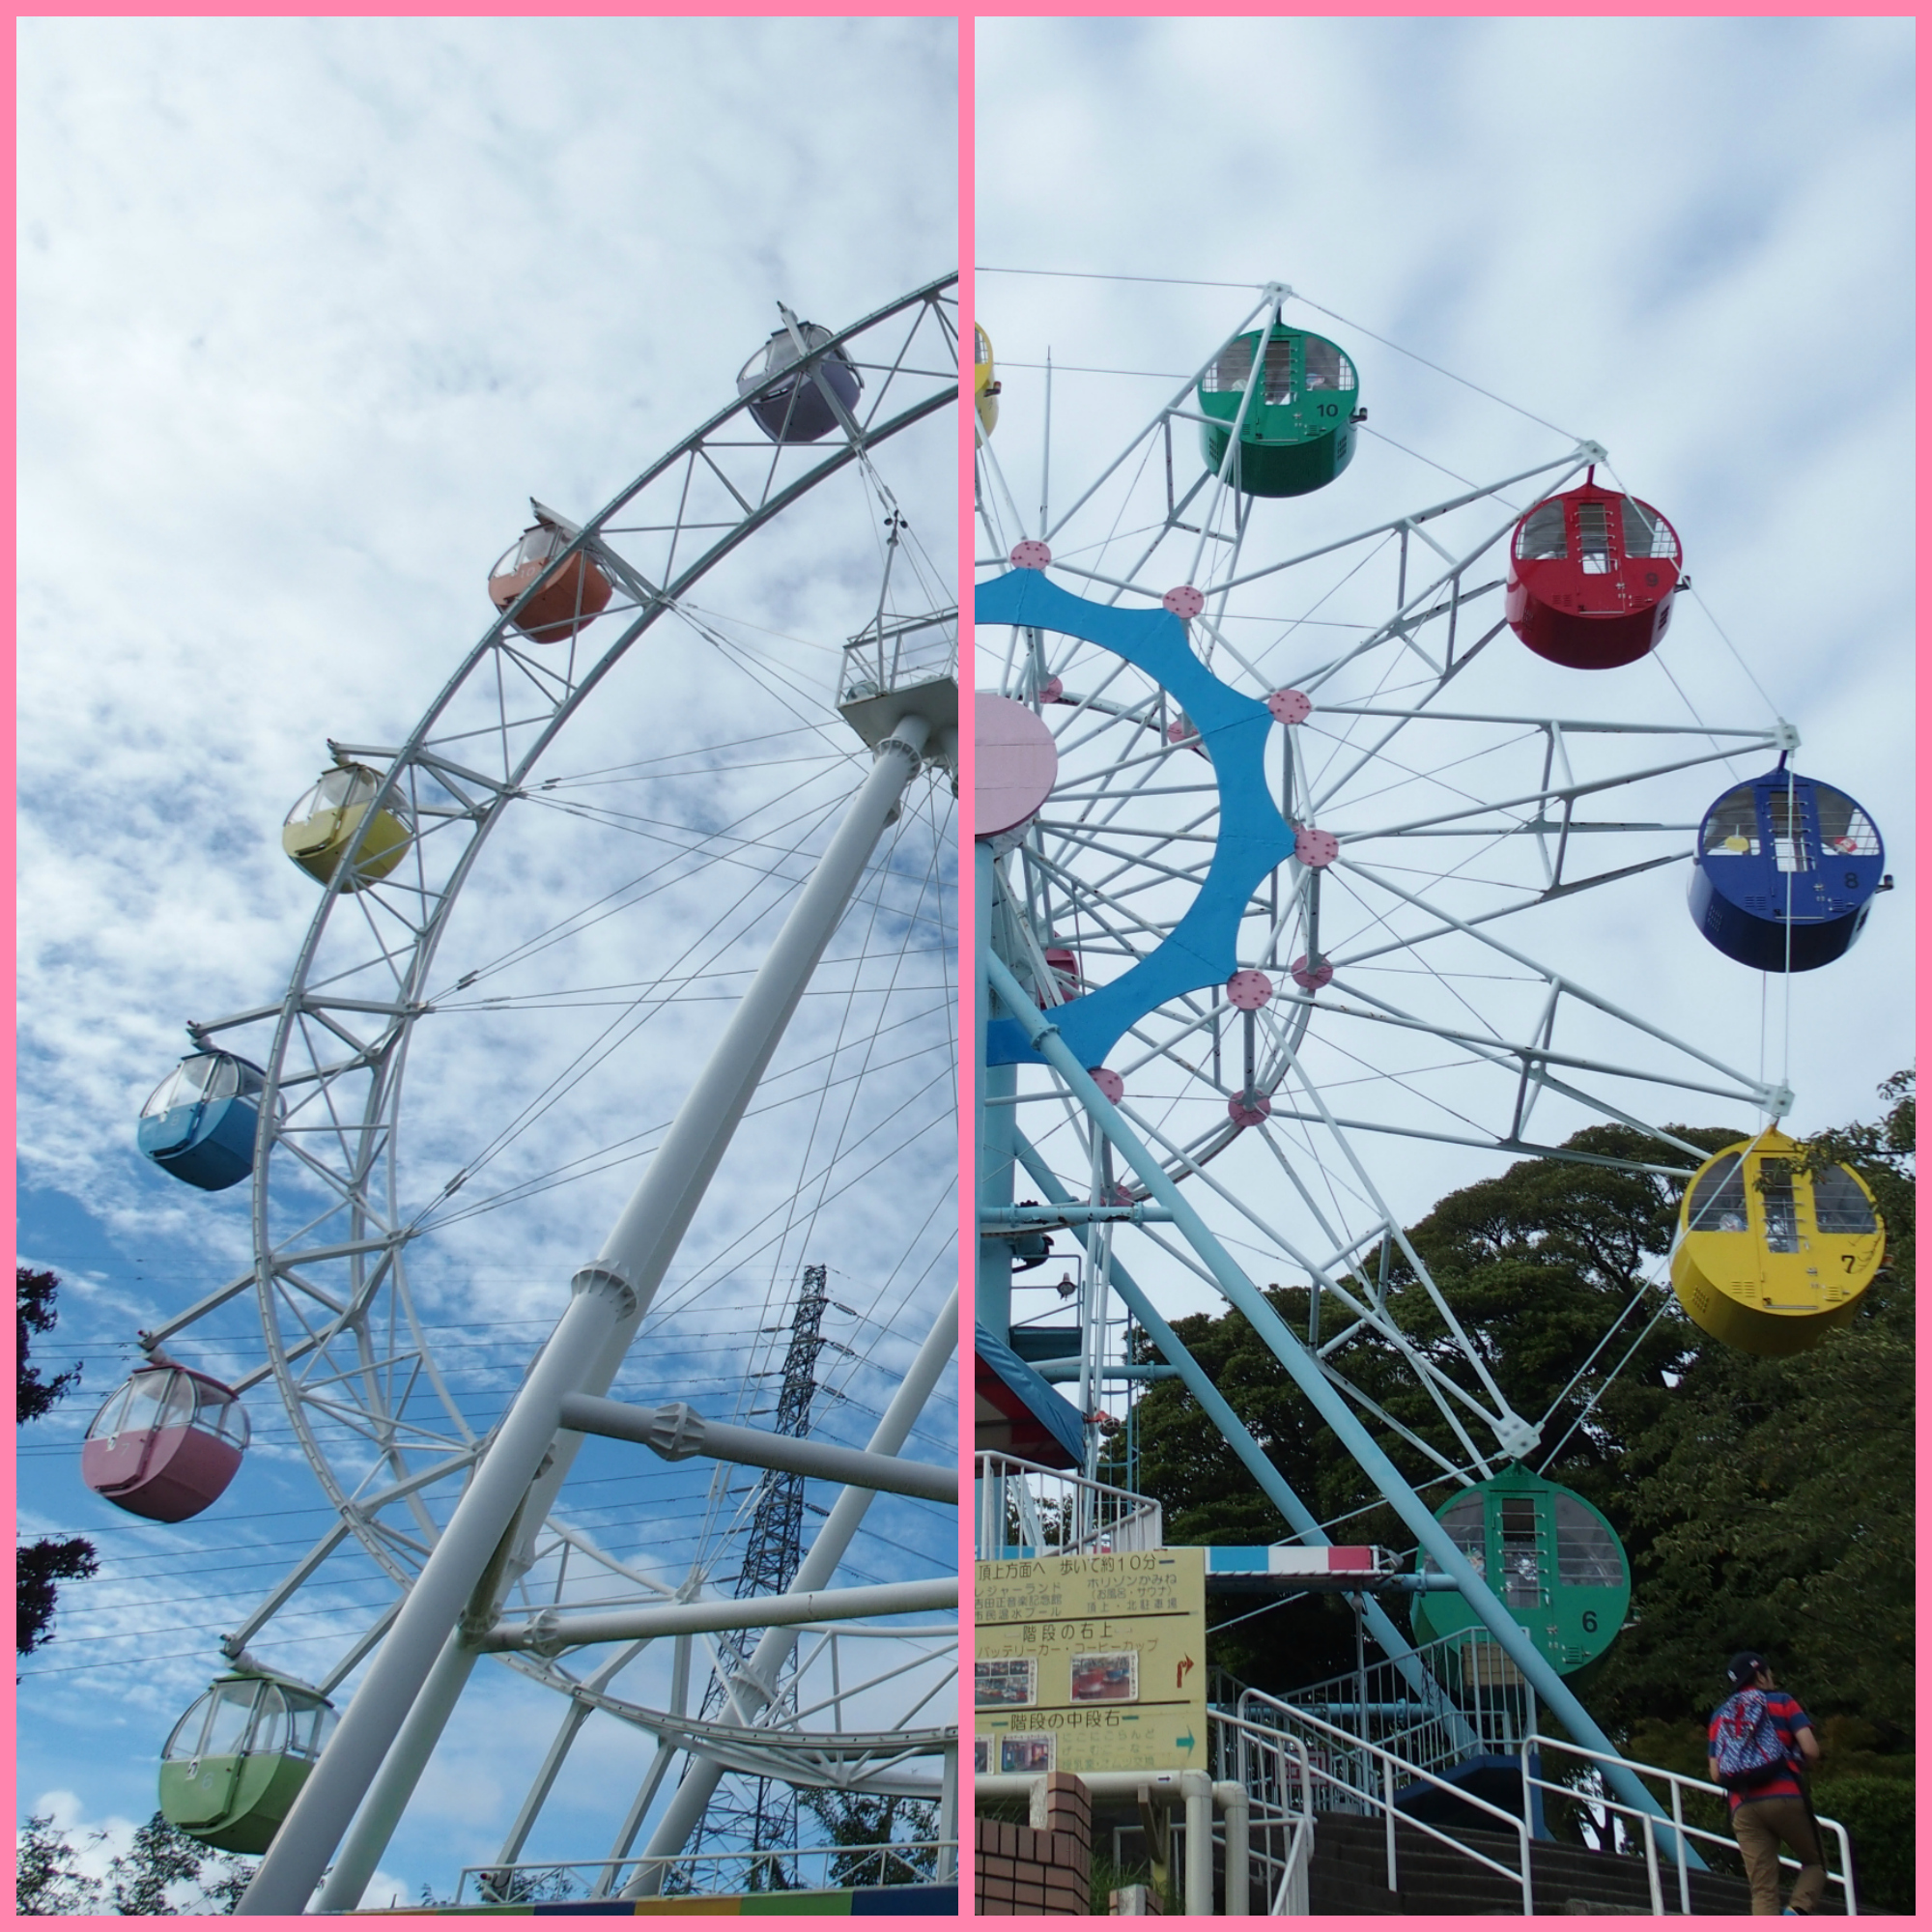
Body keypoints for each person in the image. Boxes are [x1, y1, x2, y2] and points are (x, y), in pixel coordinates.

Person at [1708, 1651, 1826, 1915]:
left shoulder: (1719, 1716)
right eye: (1768, 1672)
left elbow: (1716, 1774)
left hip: (1743, 1807)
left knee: (1762, 1889)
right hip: (1784, 1796)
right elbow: (1811, 1749)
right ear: (1760, 1676)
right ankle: (1796, 1912)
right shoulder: (1782, 1701)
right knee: (1815, 1863)